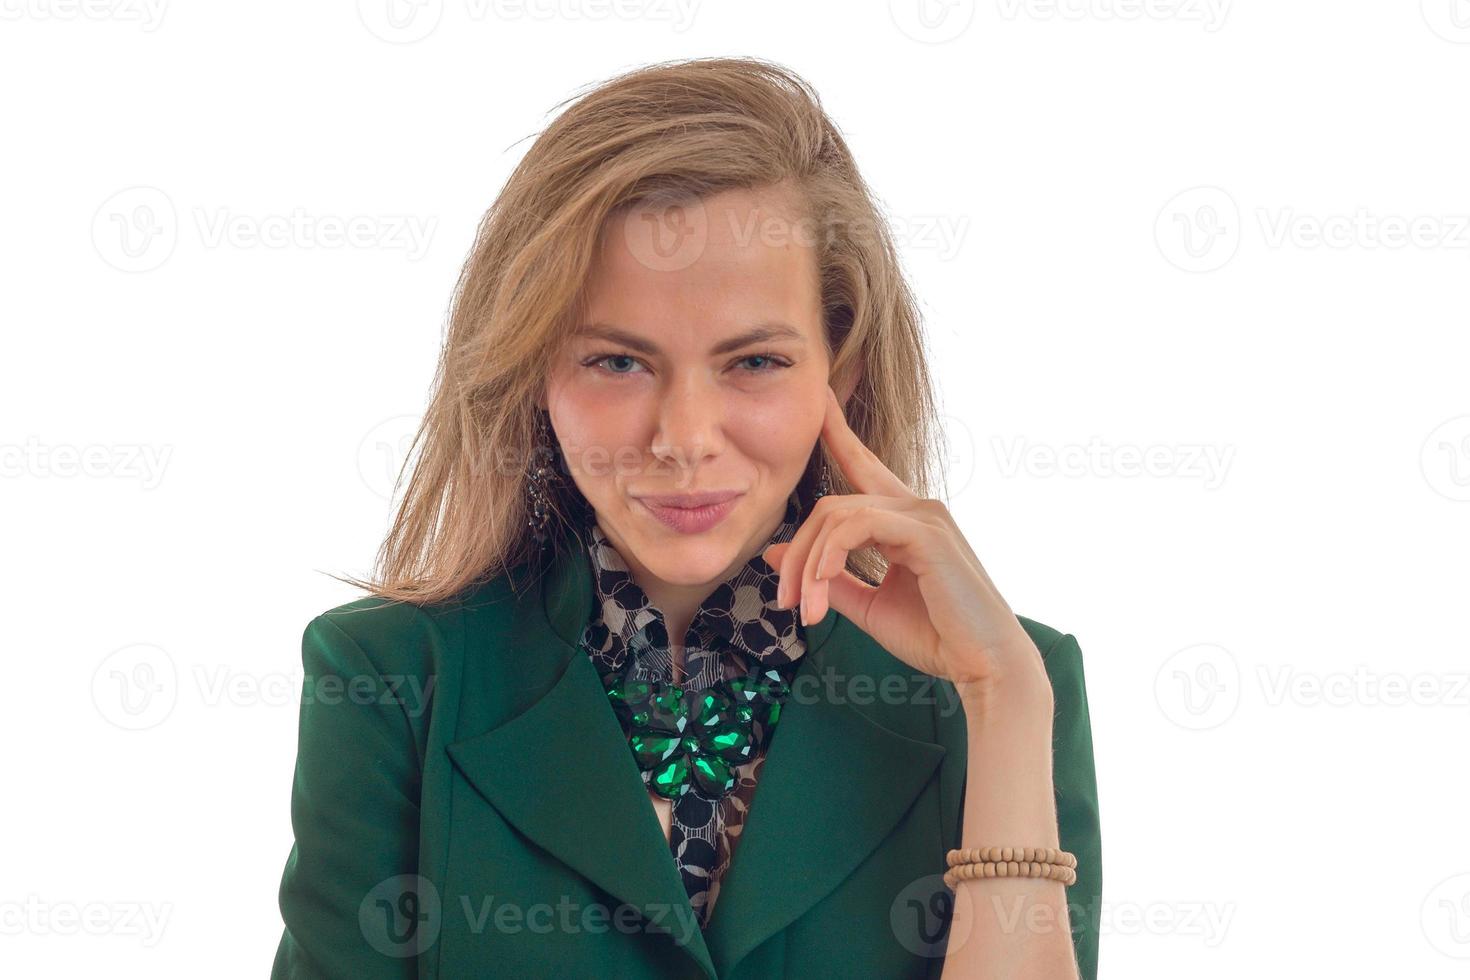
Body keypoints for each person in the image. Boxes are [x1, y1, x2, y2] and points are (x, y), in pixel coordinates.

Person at [271, 56, 1101, 979]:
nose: (682, 439)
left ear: (844, 367)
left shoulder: (1011, 688)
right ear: (534, 370)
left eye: (754, 363)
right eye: (617, 363)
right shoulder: (390, 681)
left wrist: (1007, 702)